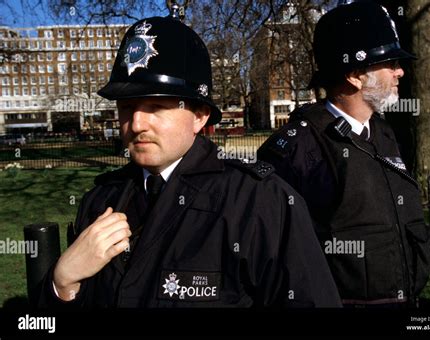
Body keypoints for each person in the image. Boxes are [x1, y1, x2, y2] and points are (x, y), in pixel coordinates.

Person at [38, 15, 341, 308]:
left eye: (156, 106)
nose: (137, 123)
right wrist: (63, 283)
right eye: (127, 107)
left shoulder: (260, 202)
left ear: (199, 115)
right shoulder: (100, 201)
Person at [258, 1, 430, 307]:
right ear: (355, 75)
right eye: (389, 63)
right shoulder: (297, 148)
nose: (400, 72)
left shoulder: (384, 134)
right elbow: (274, 257)